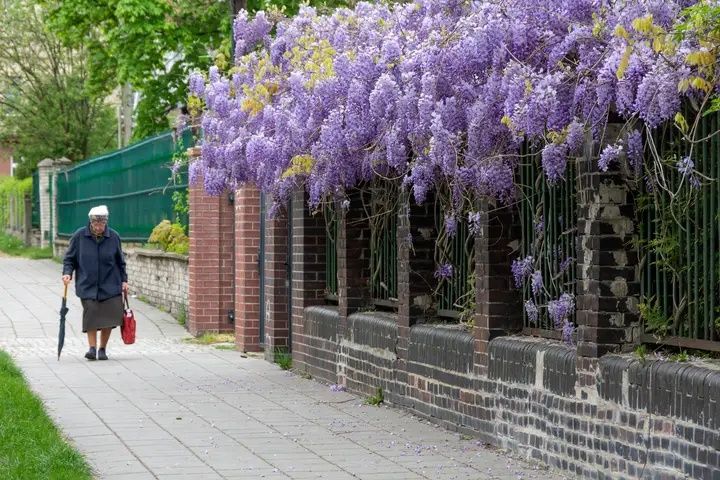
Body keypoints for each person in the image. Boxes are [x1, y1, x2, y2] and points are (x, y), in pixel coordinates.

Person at [62, 205, 129, 361]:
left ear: (106, 222)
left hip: (111, 284)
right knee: (91, 312)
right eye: (96, 224)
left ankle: (102, 349)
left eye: (102, 224)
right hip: (87, 284)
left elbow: (121, 262)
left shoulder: (113, 237)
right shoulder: (79, 236)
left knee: (109, 317)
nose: (99, 227)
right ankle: (91, 348)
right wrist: (67, 273)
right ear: (90, 222)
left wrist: (124, 280)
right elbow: (69, 259)